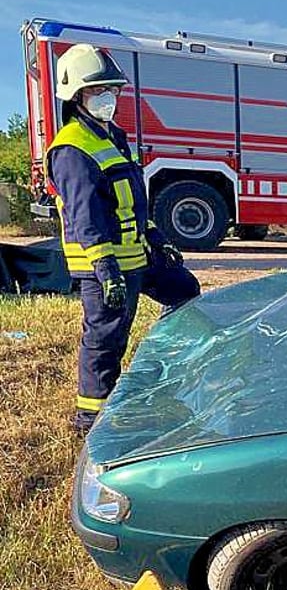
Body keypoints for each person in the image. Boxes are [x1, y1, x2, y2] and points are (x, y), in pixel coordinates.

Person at [46, 44, 201, 434]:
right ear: (76, 95)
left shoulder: (113, 135)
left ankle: (157, 372)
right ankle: (91, 421)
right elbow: (85, 213)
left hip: (137, 254)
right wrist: (105, 267)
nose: (109, 99)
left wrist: (155, 235)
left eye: (113, 90)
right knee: (106, 340)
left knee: (184, 290)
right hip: (105, 264)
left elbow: (131, 199)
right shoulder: (71, 148)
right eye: (99, 91)